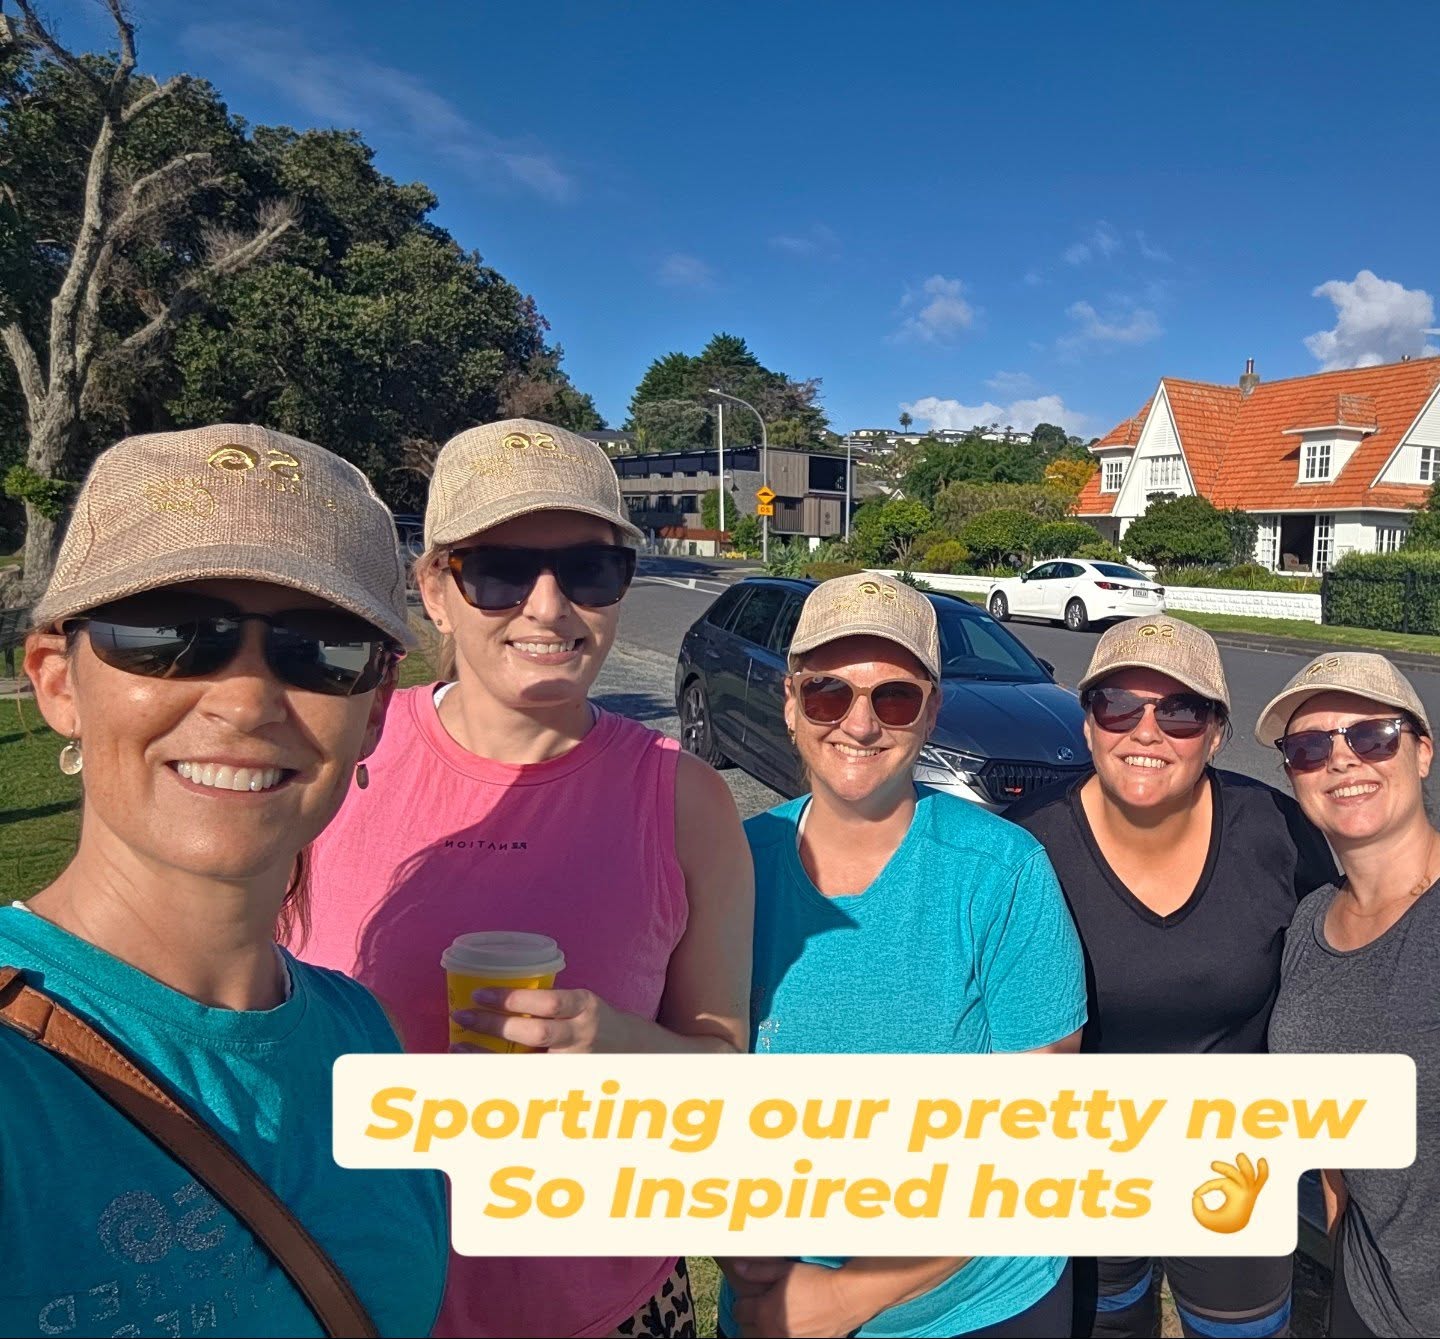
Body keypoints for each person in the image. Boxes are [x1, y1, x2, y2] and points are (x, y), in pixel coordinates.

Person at [293, 418, 754, 1339]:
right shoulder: (335, 759)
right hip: (357, 1300)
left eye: (588, 568)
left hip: (609, 1307)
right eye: (500, 568)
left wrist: (619, 1042)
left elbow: (725, 1079)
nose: (548, 608)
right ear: (435, 587)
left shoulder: (686, 800)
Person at [2, 425, 446, 1337]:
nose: (244, 700)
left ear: (370, 715)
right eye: (169, 632)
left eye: (321, 647)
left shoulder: (362, 1034)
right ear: (56, 682)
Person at [720, 573, 1086, 1339]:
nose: (859, 723)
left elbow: (1037, 1136)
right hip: (774, 1296)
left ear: (930, 712)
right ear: (791, 703)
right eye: (828, 694)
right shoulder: (733, 864)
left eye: (893, 697)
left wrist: (847, 1297)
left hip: (974, 1301)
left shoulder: (1004, 871)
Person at [1008, 614, 1338, 1339]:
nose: (1146, 730)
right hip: (1085, 1170)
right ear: (1088, 722)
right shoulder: (1025, 848)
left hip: (1237, 1166)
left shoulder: (1276, 832)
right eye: (1117, 704)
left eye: (1180, 710)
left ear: (1217, 731)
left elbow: (1343, 971)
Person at [1261, 653, 1440, 1339]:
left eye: (1372, 735)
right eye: (1310, 747)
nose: (1342, 760)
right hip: (1369, 1293)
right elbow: (1333, 1127)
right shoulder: (1310, 921)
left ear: (1422, 752)